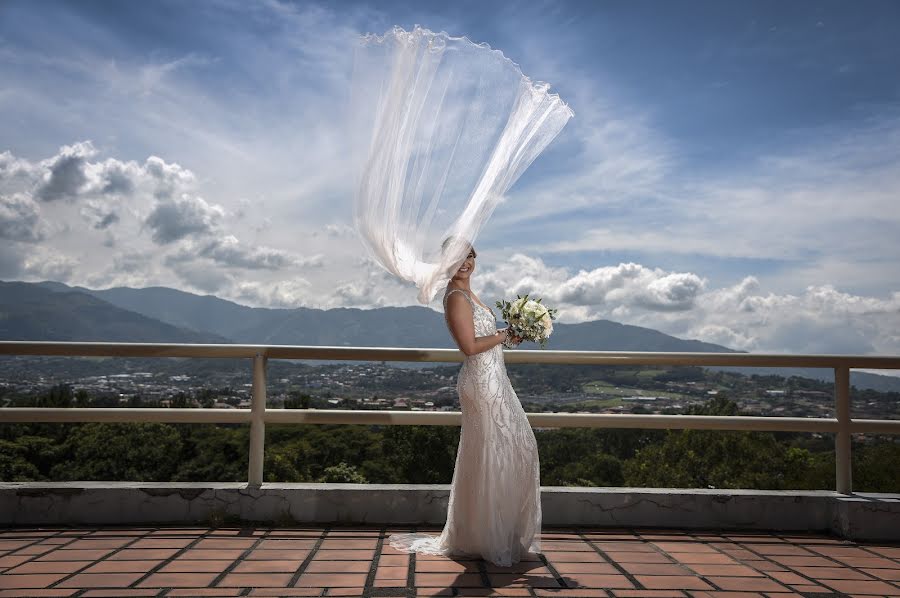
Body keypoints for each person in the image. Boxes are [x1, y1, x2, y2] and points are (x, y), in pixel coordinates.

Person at [386, 239, 542, 567]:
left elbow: (485, 339)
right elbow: (469, 347)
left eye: (469, 256)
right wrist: (505, 334)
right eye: (457, 260)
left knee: (514, 448)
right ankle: (487, 537)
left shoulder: (471, 293)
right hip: (481, 384)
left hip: (496, 380)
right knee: (495, 452)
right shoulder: (455, 297)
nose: (465, 264)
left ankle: (495, 532)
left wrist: (509, 334)